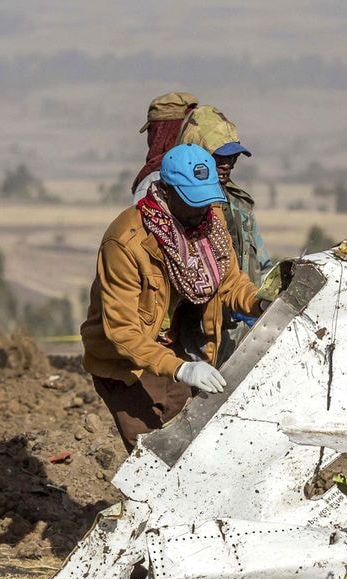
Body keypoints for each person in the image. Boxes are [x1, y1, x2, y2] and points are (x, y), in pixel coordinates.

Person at [82, 144, 262, 452]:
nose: (201, 211)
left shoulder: (208, 223)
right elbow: (122, 331)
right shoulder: (126, 242)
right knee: (150, 457)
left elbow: (229, 282)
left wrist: (261, 302)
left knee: (187, 447)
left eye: (206, 200)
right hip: (126, 365)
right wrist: (181, 369)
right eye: (193, 201)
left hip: (174, 347)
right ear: (169, 191)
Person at [178, 105, 271, 286]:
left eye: (232, 157)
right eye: (217, 158)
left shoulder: (239, 204)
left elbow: (263, 264)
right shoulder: (177, 208)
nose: (227, 165)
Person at [131, 92, 198, 201]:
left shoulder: (154, 180)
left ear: (160, 133)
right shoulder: (204, 172)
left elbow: (140, 216)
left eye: (152, 130)